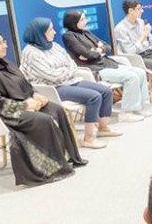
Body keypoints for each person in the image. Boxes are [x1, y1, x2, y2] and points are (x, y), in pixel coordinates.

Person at [0, 31, 86, 186]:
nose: (4, 46)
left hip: (15, 105)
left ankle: (65, 158)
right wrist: (26, 105)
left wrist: (35, 94)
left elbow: (23, 85)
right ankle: (49, 168)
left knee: (56, 109)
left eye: (4, 41)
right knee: (42, 120)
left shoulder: (3, 64)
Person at [20, 18, 122, 150]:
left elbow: (72, 64)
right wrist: (67, 70)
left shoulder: (54, 46)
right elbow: (51, 75)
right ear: (40, 33)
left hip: (69, 81)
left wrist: (65, 70)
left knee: (105, 91)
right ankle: (89, 138)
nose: (54, 32)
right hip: (52, 88)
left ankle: (103, 127)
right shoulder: (30, 52)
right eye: (50, 30)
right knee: (94, 97)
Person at [61, 11, 152, 121]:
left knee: (140, 72)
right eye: (82, 20)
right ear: (73, 22)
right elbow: (87, 54)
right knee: (131, 77)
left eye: (85, 19)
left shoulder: (86, 32)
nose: (85, 21)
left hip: (107, 63)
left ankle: (140, 107)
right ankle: (127, 112)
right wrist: (96, 50)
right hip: (95, 69)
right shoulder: (68, 36)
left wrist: (97, 50)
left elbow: (107, 46)